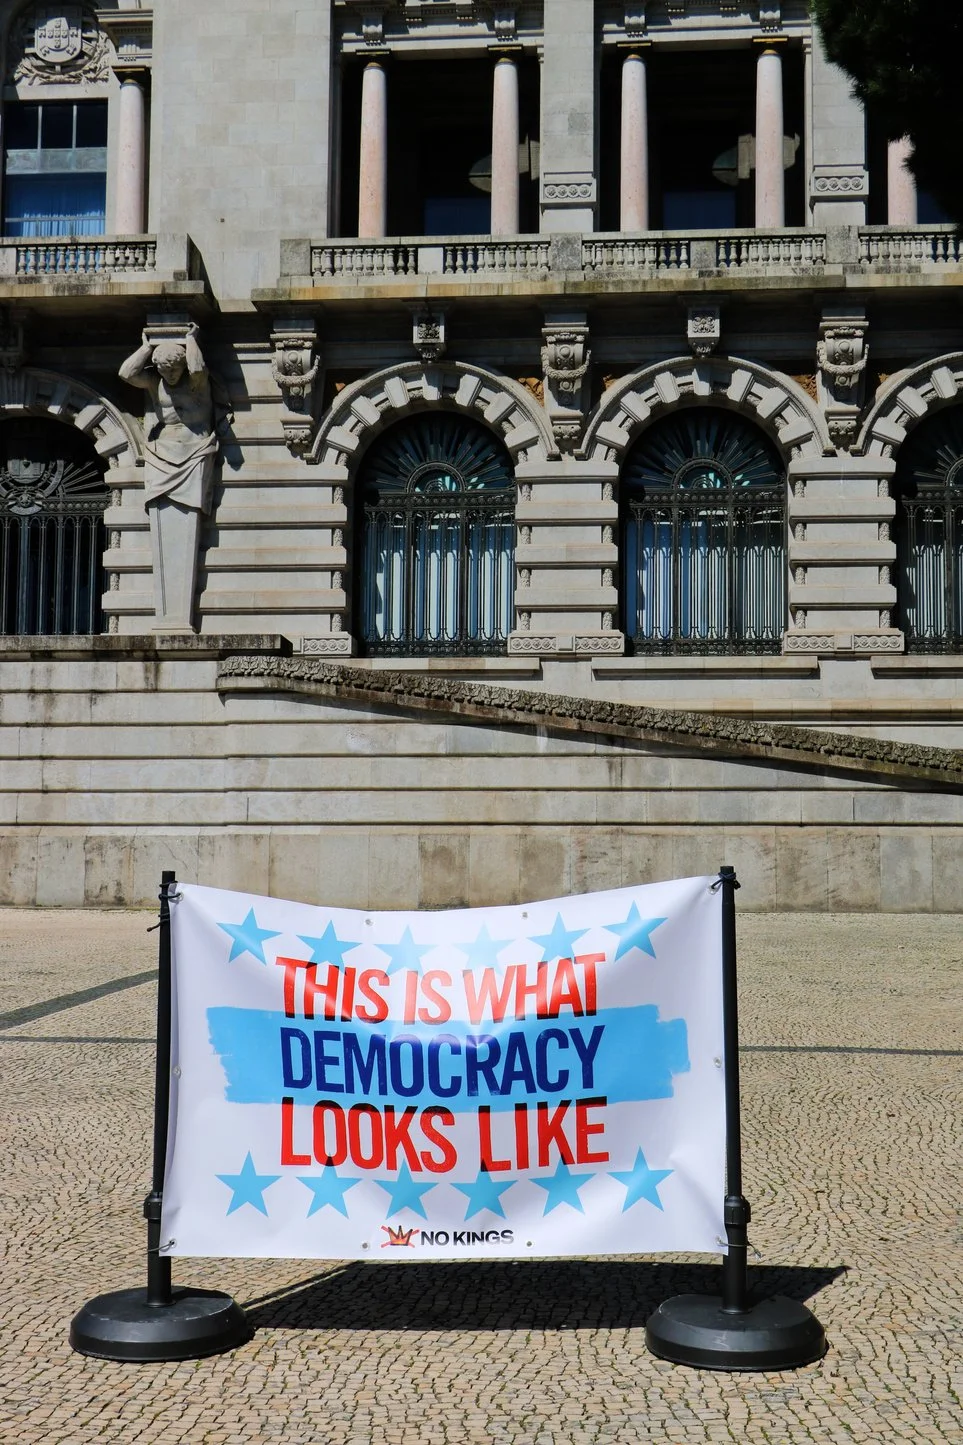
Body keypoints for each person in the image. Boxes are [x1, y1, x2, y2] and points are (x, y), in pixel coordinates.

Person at [119, 325, 217, 513]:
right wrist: (146, 348)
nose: (169, 375)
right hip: (161, 452)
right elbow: (126, 374)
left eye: (174, 369)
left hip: (195, 448)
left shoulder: (196, 383)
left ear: (183, 365)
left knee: (191, 507)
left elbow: (197, 369)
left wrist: (190, 339)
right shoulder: (155, 381)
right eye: (164, 370)